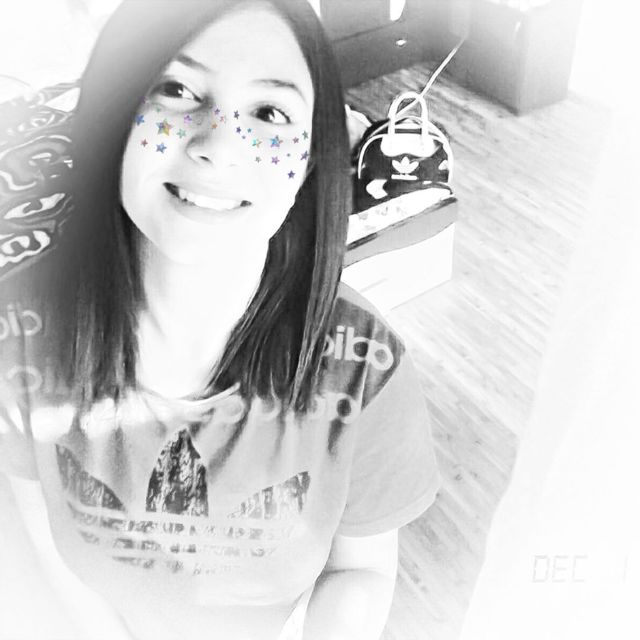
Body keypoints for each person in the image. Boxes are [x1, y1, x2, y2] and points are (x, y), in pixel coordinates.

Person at [0, 1, 440, 638]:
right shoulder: (18, 338)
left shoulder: (364, 364)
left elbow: (361, 569)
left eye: (270, 113)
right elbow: (41, 530)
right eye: (177, 90)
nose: (218, 146)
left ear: (308, 165)